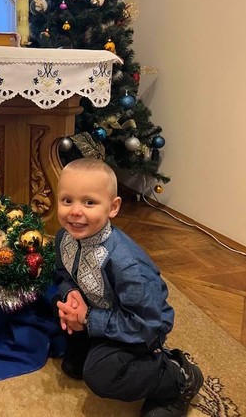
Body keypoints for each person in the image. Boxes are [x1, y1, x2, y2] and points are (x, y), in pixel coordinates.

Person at [54, 158, 204, 417]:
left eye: (89, 202)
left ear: (113, 207)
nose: (75, 211)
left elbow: (148, 324)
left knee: (101, 375)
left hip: (139, 328)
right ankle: (91, 345)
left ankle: (177, 378)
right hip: (98, 308)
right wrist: (71, 293)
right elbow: (61, 273)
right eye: (67, 200)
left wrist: (88, 319)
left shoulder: (127, 264)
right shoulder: (63, 238)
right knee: (56, 319)